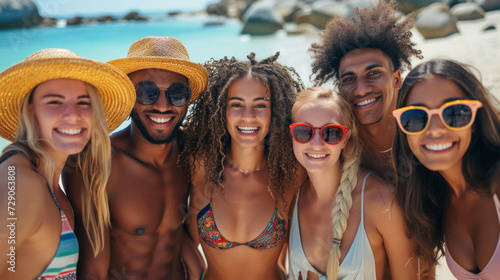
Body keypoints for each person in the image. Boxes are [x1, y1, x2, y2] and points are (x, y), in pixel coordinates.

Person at [61, 36, 208, 279]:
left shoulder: (192, 152)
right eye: (146, 92)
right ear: (128, 95)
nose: (162, 106)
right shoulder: (95, 163)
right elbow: (93, 270)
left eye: (177, 93)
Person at [0, 48, 135, 279]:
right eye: (54, 101)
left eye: (83, 102)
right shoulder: (21, 183)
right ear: (31, 111)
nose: (73, 115)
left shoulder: (49, 184)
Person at [180, 52, 304, 280]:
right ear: (220, 111)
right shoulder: (200, 164)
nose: (248, 116)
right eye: (236, 104)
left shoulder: (292, 171)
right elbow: (182, 236)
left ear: (275, 112)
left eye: (260, 105)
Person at [288, 87, 419, 280]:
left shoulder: (381, 201)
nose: (316, 143)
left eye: (331, 132)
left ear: (345, 138)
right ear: (291, 135)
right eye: (303, 131)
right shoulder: (290, 199)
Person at [393, 59, 500, 279]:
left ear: (476, 120)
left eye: (454, 113)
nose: (435, 130)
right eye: (416, 117)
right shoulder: (432, 200)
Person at [309, 0, 422, 179]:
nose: (361, 90)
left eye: (374, 73)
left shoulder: (426, 132)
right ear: (339, 89)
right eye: (349, 79)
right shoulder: (333, 147)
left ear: (397, 79)